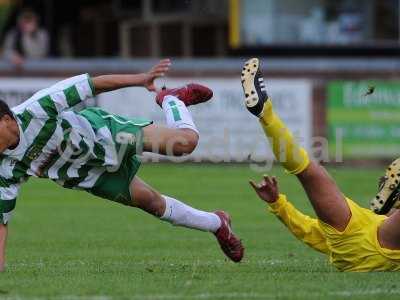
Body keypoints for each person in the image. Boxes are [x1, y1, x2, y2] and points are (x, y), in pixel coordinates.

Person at [0, 59, 244, 271]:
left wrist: (141, 79)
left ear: (7, 120)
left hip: (105, 135)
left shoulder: (37, 108)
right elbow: (2, 219)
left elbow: (92, 85)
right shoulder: (5, 169)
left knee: (185, 144)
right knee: (153, 203)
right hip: (90, 175)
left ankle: (172, 99)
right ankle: (217, 224)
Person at [242, 57, 400, 272]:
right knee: (306, 169)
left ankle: (265, 113)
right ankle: (393, 198)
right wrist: (278, 204)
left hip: (348, 238)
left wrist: (278, 203)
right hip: (372, 245)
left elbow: (308, 231)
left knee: (306, 168)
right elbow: (306, 231)